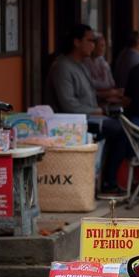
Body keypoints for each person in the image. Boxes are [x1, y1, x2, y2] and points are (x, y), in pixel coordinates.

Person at [46, 24, 127, 195]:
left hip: (90, 115)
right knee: (118, 130)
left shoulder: (82, 65)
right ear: (76, 42)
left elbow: (90, 95)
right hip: (71, 121)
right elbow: (69, 105)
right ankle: (108, 181)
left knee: (125, 125)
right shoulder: (62, 67)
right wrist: (99, 111)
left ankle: (106, 177)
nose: (93, 45)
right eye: (90, 40)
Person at [84, 33, 123, 103]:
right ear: (94, 47)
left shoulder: (102, 61)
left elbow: (111, 83)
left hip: (106, 96)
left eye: (105, 45)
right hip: (93, 98)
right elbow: (91, 84)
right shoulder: (86, 62)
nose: (104, 48)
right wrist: (109, 91)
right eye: (101, 46)